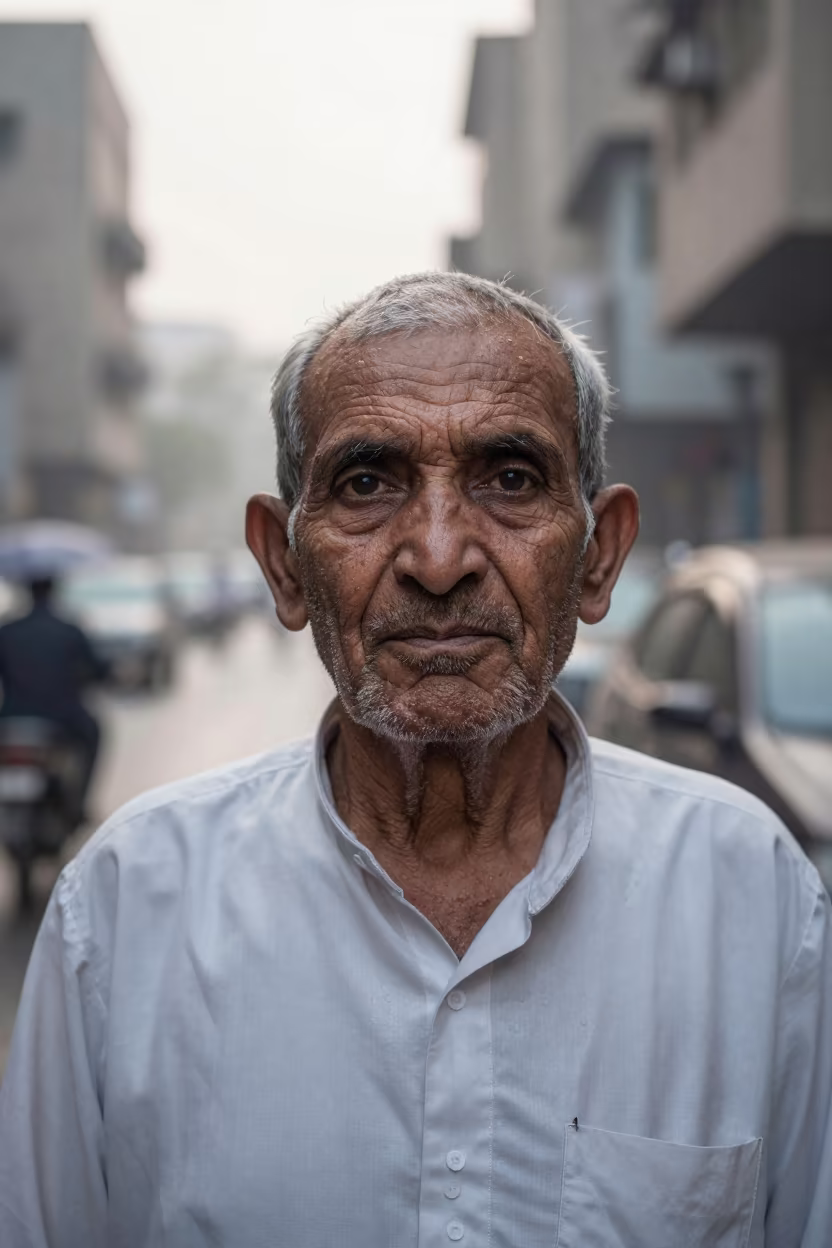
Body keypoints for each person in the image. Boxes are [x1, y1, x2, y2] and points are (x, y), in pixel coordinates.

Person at [0, 273, 830, 1247]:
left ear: (598, 556)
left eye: (510, 479)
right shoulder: (128, 904)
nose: (438, 558)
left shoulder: (748, 891)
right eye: (367, 484)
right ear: (283, 562)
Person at [0, 575, 105, 822]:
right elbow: (97, 669)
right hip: (63, 716)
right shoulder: (69, 630)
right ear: (54, 592)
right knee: (94, 735)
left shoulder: (7, 630)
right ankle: (79, 804)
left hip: (12, 714)